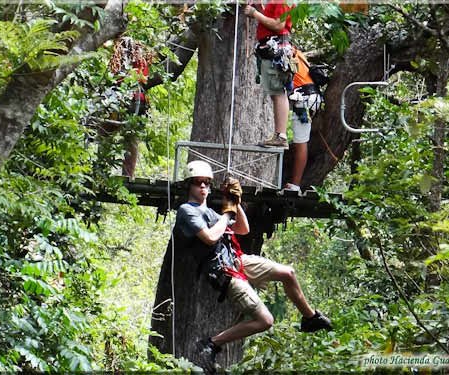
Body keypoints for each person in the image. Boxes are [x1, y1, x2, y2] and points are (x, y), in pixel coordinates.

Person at [174, 160, 333, 373]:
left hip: (237, 260)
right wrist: (228, 213)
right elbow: (211, 238)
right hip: (224, 272)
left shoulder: (212, 213)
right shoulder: (187, 211)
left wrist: (235, 202)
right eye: (197, 183)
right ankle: (212, 343)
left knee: (288, 272)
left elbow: (243, 229)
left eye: (206, 183)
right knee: (266, 320)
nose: (202, 187)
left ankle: (310, 318)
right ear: (188, 186)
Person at [244, 1, 295, 150]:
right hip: (272, 48)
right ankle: (279, 134)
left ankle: (281, 135)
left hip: (275, 48)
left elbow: (279, 25)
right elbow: (271, 19)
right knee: (276, 92)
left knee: (278, 92)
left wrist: (255, 14)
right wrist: (259, 8)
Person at [284, 48, 323, 193]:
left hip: (304, 99)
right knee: (301, 140)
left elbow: (287, 78)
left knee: (301, 141)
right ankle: (295, 183)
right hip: (306, 97)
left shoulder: (287, 53)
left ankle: (295, 184)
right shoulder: (296, 53)